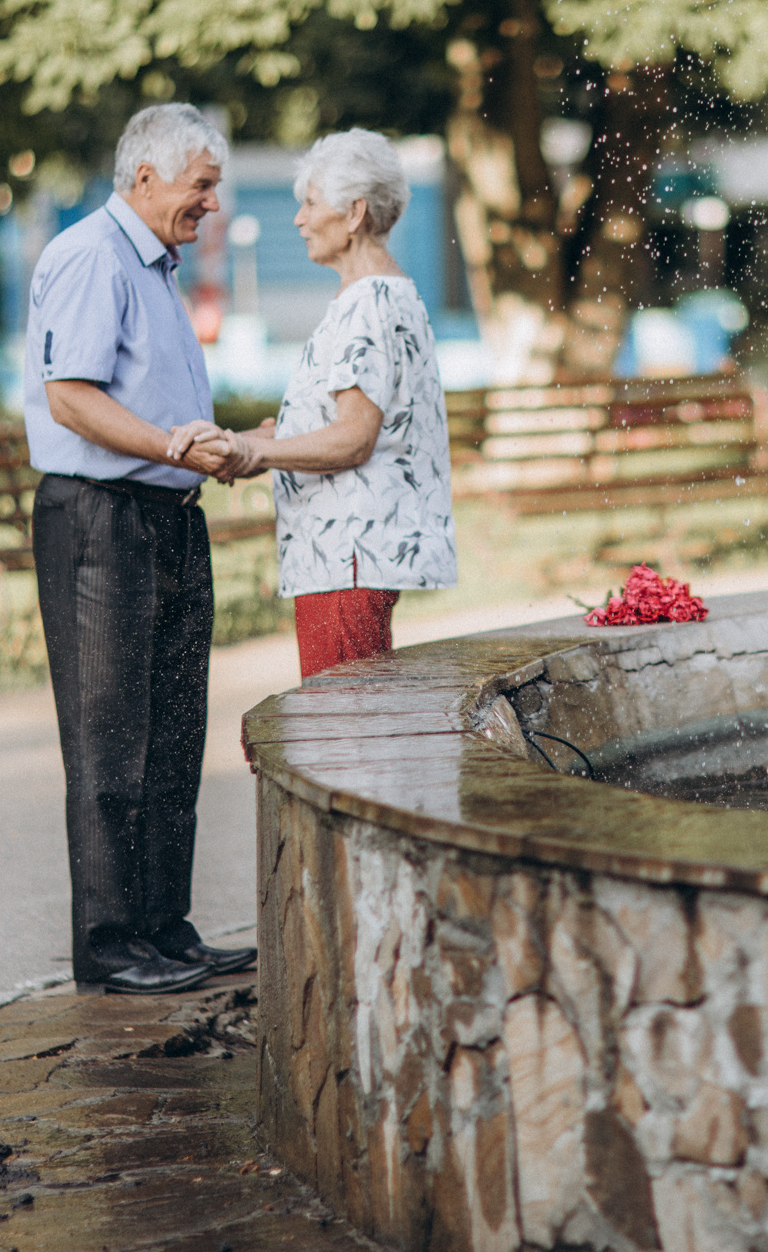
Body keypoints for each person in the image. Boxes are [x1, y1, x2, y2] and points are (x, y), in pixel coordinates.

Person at [23, 103, 254, 996]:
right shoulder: (90, 254)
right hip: (99, 518)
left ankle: (164, 927)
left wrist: (204, 452)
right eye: (203, 186)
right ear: (146, 176)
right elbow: (71, 398)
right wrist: (170, 448)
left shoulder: (153, 264)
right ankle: (111, 944)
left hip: (164, 513)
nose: (211, 205)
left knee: (171, 735)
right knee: (111, 740)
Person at [223, 130, 457, 675]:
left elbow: (353, 438)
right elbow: (337, 422)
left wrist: (255, 455)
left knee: (346, 740)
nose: (300, 219)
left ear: (354, 214)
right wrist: (241, 442)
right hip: (349, 558)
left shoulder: (366, 304)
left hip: (345, 561)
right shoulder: (389, 293)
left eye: (309, 203)